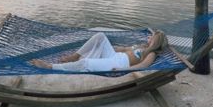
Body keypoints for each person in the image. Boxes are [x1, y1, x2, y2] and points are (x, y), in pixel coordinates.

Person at [29, 30, 168, 72]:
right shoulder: (141, 46)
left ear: (156, 41)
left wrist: (122, 70)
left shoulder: (151, 53)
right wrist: (105, 47)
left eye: (152, 37)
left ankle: (50, 66)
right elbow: (124, 49)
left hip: (120, 63)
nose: (149, 37)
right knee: (100, 36)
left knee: (86, 63)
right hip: (115, 55)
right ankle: (74, 56)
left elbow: (143, 66)